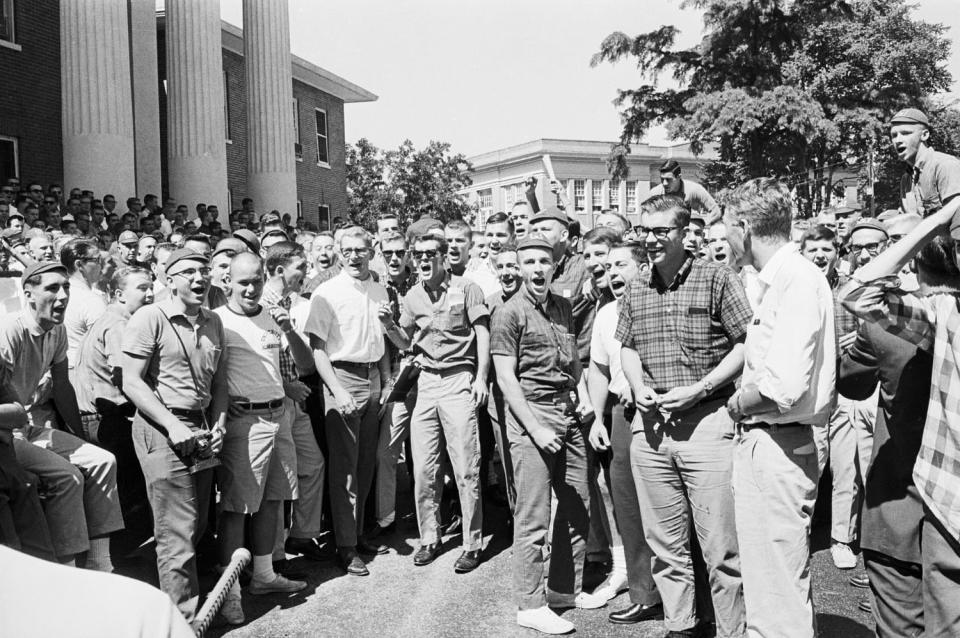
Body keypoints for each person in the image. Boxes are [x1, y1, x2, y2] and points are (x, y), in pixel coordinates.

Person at [616, 195, 750, 638]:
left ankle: (733, 630)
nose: (651, 240)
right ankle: (682, 625)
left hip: (708, 423)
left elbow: (745, 344)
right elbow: (628, 345)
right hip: (651, 428)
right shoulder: (636, 285)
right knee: (665, 545)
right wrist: (638, 389)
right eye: (645, 231)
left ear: (683, 231)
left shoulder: (717, 278)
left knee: (721, 548)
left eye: (661, 231)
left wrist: (701, 388)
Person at [841, 199, 960, 636]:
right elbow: (858, 295)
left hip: (905, 509)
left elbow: (851, 377)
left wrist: (934, 224)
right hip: (942, 510)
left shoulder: (927, 319)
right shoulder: (942, 318)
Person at [724, 178, 836, 638]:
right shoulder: (784, 279)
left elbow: (782, 387)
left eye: (728, 226)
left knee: (776, 593)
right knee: (769, 582)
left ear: (746, 226)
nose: (725, 237)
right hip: (771, 444)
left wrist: (735, 404)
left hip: (777, 443)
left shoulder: (796, 279)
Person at [491, 235, 603, 636]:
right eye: (530, 262)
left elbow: (573, 361)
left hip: (567, 411)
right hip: (531, 415)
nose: (538, 269)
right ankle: (530, 603)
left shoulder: (562, 306)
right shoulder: (508, 313)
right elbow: (506, 378)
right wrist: (535, 427)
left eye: (544, 262)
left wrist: (584, 397)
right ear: (520, 268)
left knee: (577, 504)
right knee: (533, 517)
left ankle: (562, 591)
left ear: (554, 266)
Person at [121, 248, 229, 621]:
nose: (199, 279)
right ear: (168, 280)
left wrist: (220, 424)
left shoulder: (213, 320)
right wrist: (172, 424)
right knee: (177, 532)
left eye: (204, 271)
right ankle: (182, 620)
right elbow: (131, 382)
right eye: (188, 273)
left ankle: (163, 604)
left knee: (196, 525)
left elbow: (220, 384)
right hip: (162, 431)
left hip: (200, 431)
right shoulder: (150, 317)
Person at [1, 261, 123, 568]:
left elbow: (62, 386)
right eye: (52, 288)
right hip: (6, 432)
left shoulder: (57, 331)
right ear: (28, 294)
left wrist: (79, 440)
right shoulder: (9, 331)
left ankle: (101, 564)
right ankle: (66, 571)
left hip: (26, 427)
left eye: (66, 287)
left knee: (101, 460)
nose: (62, 295)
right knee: (66, 476)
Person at [379, 233, 489, 573]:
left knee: (465, 467)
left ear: (444, 256)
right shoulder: (413, 295)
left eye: (431, 254)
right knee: (425, 467)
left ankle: (472, 543)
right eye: (419, 254)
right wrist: (388, 326)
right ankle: (430, 537)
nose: (424, 259)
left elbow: (482, 332)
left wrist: (481, 377)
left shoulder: (467, 288)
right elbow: (406, 343)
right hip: (426, 381)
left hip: (458, 379)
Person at [214, 252, 311, 625]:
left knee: (273, 501)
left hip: (278, 414)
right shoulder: (219, 321)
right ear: (228, 283)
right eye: (243, 282)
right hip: (245, 422)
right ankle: (229, 592)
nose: (251, 287)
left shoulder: (272, 316)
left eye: (256, 280)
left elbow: (302, 364)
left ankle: (265, 576)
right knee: (237, 508)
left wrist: (288, 329)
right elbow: (208, 372)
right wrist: (225, 406)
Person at [304, 227, 391, 576]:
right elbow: (317, 349)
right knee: (344, 468)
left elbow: (382, 341)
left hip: (372, 377)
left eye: (361, 250)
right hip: (341, 377)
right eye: (348, 250)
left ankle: (357, 533)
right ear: (339, 253)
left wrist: (386, 382)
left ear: (372, 251)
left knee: (365, 462)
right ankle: (345, 545)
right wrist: (337, 392)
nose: (354, 256)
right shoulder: (326, 292)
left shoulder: (380, 289)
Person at [586, 240, 663, 624]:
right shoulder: (605, 314)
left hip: (660, 412)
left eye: (623, 265)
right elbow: (598, 370)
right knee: (628, 506)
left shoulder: (658, 303)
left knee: (667, 506)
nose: (614, 273)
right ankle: (644, 594)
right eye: (609, 267)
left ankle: (687, 593)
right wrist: (598, 419)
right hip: (620, 413)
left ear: (644, 267)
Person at [73, 266, 155, 545]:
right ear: (119, 294)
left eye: (151, 286)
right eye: (142, 288)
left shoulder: (110, 319)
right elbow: (125, 376)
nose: (150, 293)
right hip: (107, 419)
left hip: (101, 418)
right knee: (127, 494)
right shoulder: (120, 325)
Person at [800, 225, 865, 571]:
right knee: (810, 464)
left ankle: (842, 538)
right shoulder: (799, 288)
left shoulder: (850, 289)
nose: (821, 256)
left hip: (845, 390)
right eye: (814, 250)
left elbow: (868, 332)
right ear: (804, 253)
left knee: (846, 468)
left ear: (837, 253)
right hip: (809, 393)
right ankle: (801, 535)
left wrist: (856, 342)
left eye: (827, 249)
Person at [61, 239, 107, 372]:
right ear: (79, 264)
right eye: (97, 260)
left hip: (63, 370)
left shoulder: (59, 293)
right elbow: (104, 345)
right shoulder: (91, 301)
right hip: (85, 373)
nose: (102, 265)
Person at [644, 160, 721, 224]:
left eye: (668, 179)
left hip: (688, 235)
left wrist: (700, 225)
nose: (664, 183)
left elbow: (716, 211)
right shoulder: (655, 193)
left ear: (679, 177)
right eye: (662, 179)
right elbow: (645, 216)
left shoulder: (694, 189)